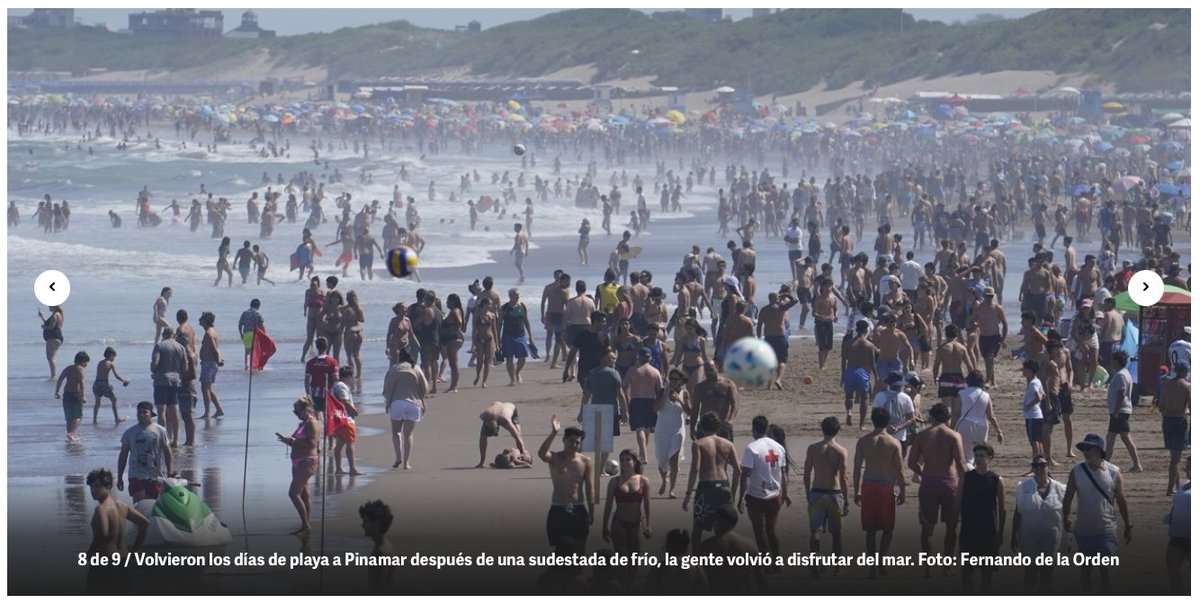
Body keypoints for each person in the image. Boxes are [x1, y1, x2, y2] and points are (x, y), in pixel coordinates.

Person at [1063, 433, 1133, 593]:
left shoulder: (1114, 472)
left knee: (1105, 569)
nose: (1085, 452)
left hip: (1106, 530)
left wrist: (1128, 525)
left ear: (1099, 450)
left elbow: (1121, 500)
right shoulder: (1077, 471)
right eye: (1084, 448)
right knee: (1086, 570)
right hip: (1083, 531)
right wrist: (1066, 516)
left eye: (1089, 448)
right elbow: (1068, 496)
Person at [908, 402, 966, 578]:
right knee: (951, 527)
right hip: (949, 482)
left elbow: (911, 463)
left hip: (929, 482)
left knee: (927, 528)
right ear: (948, 418)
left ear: (932, 418)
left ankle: (928, 568)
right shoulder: (954, 436)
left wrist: (924, 473)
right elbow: (961, 465)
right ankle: (947, 566)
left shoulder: (922, 436)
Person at [853, 407, 906, 578]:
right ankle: (881, 560)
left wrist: (856, 490)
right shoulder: (893, 442)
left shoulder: (863, 441)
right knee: (887, 528)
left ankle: (872, 565)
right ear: (888, 421)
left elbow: (856, 469)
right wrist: (903, 490)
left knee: (870, 529)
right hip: (885, 486)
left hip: (868, 485)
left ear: (872, 420)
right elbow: (900, 471)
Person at [683, 411, 740, 553]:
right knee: (725, 526)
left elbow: (695, 470)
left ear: (702, 426)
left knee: (698, 528)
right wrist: (733, 490)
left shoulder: (698, 444)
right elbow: (738, 470)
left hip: (706, 487)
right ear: (718, 427)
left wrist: (688, 494)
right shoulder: (728, 444)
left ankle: (696, 561)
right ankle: (726, 558)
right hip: (724, 485)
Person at [85, 468, 148, 595]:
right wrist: (135, 550)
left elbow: (103, 533)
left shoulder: (101, 509)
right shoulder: (121, 505)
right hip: (123, 560)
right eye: (91, 487)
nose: (93, 490)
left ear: (108, 486)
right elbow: (144, 523)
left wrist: (90, 553)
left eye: (97, 486)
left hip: (105, 563)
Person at [538, 416, 595, 556]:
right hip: (558, 507)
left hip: (578, 507)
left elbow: (590, 488)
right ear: (564, 440)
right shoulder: (555, 457)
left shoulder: (586, 461)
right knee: (560, 551)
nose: (574, 445)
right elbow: (541, 454)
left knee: (580, 549)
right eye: (571, 441)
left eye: (577, 442)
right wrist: (553, 433)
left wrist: (591, 511)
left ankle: (578, 575)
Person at [739, 415, 789, 573]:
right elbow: (784, 474)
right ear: (767, 429)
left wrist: (741, 498)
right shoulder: (778, 447)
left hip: (756, 495)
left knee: (759, 531)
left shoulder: (752, 448)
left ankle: (766, 563)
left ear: (753, 429)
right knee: (771, 531)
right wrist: (785, 493)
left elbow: (745, 474)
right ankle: (777, 562)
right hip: (775, 495)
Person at [1011, 455, 1066, 592]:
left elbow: (1066, 514)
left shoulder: (1060, 488)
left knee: (1047, 570)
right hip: (1028, 534)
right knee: (1030, 570)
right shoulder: (1023, 487)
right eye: (1036, 466)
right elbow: (1018, 512)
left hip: (1052, 535)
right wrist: (1013, 534)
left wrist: (1068, 537)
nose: (1039, 468)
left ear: (1048, 467)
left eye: (1042, 465)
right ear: (1032, 468)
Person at [803, 416, 849, 577]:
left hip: (817, 492)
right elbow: (843, 477)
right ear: (837, 430)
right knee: (837, 532)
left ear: (822, 429)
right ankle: (837, 567)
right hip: (834, 493)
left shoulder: (813, 448)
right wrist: (847, 499)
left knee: (815, 531)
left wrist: (808, 493)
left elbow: (807, 473)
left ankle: (814, 564)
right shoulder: (841, 450)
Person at [957, 443, 1005, 593]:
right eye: (976, 455)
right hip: (969, 529)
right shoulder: (966, 477)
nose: (978, 459)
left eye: (982, 456)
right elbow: (957, 502)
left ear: (989, 458)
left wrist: (1000, 533)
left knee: (987, 573)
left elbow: (1002, 509)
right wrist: (952, 526)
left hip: (988, 530)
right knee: (967, 572)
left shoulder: (996, 479)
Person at [601, 450, 653, 587]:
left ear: (634, 461)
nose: (624, 463)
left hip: (636, 523)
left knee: (635, 558)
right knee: (621, 556)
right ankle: (621, 583)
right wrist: (604, 526)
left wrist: (648, 525)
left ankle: (629, 585)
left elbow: (647, 504)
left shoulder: (643, 481)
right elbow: (608, 505)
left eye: (627, 460)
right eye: (622, 460)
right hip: (619, 522)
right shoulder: (615, 482)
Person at [699, 504, 767, 594]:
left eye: (715, 519)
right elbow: (761, 579)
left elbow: (699, 578)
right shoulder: (750, 544)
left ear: (718, 521)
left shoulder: (708, 545)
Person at [277, 397, 320, 535]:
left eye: (297, 412)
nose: (296, 414)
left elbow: (312, 444)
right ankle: (306, 523)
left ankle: (306, 525)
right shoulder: (303, 423)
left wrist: (293, 441)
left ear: (307, 409)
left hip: (307, 461)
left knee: (293, 493)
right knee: (304, 493)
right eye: (294, 412)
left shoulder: (312, 423)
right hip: (298, 460)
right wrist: (287, 440)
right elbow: (297, 442)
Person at [117, 401, 174, 502]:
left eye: (145, 412)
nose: (141, 415)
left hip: (155, 475)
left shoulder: (160, 431)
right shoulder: (129, 432)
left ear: (151, 414)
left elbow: (167, 452)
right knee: (140, 506)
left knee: (154, 506)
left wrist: (170, 471)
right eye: (139, 412)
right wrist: (120, 477)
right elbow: (123, 456)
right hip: (136, 476)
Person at [580, 348, 626, 471]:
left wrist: (582, 412)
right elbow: (620, 394)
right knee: (606, 441)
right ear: (604, 358)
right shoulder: (613, 373)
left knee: (592, 440)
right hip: (611, 411)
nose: (615, 361)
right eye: (612, 358)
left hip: (594, 409)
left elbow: (586, 395)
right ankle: (600, 469)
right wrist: (625, 412)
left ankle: (581, 464)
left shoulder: (591, 373)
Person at [382, 350, 429, 470]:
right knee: (408, 434)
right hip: (414, 403)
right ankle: (406, 463)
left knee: (396, 432)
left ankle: (398, 456)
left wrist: (388, 402)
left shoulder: (394, 368)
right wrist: (422, 398)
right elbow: (425, 387)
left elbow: (387, 387)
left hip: (397, 403)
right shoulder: (416, 368)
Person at [952, 370, 1003, 468]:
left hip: (965, 425)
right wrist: (999, 431)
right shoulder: (986, 395)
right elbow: (991, 416)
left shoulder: (961, 393)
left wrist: (951, 428)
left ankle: (970, 474)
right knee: (979, 454)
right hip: (982, 427)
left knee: (967, 457)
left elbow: (956, 414)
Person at [655, 369, 692, 498]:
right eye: (672, 379)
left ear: (681, 381)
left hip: (677, 428)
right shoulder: (662, 391)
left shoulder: (684, 393)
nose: (674, 381)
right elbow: (656, 408)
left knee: (674, 459)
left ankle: (672, 489)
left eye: (676, 379)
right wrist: (663, 394)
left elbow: (690, 412)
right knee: (661, 460)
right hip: (662, 427)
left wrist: (679, 400)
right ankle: (664, 480)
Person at [150, 327, 190, 447]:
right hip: (175, 381)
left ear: (163, 334)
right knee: (174, 409)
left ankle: (163, 439)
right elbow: (185, 368)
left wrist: (153, 369)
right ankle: (175, 440)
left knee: (161, 410)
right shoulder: (180, 347)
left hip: (161, 380)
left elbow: (155, 363)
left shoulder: (160, 346)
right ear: (173, 335)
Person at [623, 347, 664, 464]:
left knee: (640, 429)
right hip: (651, 401)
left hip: (637, 400)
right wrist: (659, 404)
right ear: (650, 358)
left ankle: (644, 455)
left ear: (639, 357)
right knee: (646, 429)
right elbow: (660, 390)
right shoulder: (655, 371)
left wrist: (626, 399)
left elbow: (624, 386)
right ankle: (642, 453)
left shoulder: (633, 370)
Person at [1105, 350, 1143, 472]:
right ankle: (1105, 463)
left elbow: (1121, 393)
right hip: (1121, 410)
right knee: (1111, 437)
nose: (1111, 362)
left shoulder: (1121, 375)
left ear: (1116, 361)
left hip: (1120, 411)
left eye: (1112, 360)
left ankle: (1137, 464)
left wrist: (1116, 410)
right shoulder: (1124, 373)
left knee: (1123, 437)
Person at [756, 290, 798, 390]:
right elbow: (795, 300)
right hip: (780, 336)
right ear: (776, 298)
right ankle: (778, 379)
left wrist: (758, 338)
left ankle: (769, 384)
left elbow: (759, 326)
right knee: (782, 361)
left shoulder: (763, 310)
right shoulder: (781, 307)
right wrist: (786, 294)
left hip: (768, 337)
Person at [1160, 363, 1190, 496]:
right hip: (1179, 420)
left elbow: (1161, 405)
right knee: (1175, 460)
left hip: (1167, 420)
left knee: (1174, 457)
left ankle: (1178, 487)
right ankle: (1169, 489)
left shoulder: (1166, 384)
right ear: (1183, 371)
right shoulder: (1187, 386)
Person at [842, 320, 878, 429]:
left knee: (849, 396)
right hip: (862, 372)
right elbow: (872, 362)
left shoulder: (848, 343)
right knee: (864, 398)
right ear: (866, 330)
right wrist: (876, 376)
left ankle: (849, 412)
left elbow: (843, 360)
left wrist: (843, 374)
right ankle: (861, 424)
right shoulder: (869, 345)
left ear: (856, 330)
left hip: (850, 371)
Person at [691, 360, 738, 442]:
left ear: (717, 368)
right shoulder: (700, 388)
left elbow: (734, 403)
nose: (708, 372)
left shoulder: (728, 384)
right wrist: (692, 428)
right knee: (704, 451)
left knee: (725, 451)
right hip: (705, 425)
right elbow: (695, 409)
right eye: (706, 370)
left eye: (711, 369)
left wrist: (731, 419)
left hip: (723, 423)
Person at [871, 371, 916, 452]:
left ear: (889, 383)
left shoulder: (880, 395)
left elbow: (874, 416)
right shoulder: (906, 398)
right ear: (901, 384)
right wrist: (897, 428)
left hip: (882, 435)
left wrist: (886, 427)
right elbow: (912, 420)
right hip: (900, 437)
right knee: (899, 462)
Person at [1164, 456, 1190, 594]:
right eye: (1187, 467)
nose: (1187, 470)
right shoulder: (1185, 486)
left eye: (1190, 467)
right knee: (1172, 566)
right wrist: (1172, 516)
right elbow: (1178, 504)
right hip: (1178, 535)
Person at [359, 500, 397, 593]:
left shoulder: (379, 553)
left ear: (376, 522)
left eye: (365, 521)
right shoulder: (389, 546)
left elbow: (377, 590)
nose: (362, 525)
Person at [500, 288, 535, 386]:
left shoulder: (522, 306)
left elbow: (526, 321)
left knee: (522, 357)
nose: (518, 296)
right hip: (507, 336)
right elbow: (499, 325)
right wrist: (498, 338)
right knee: (509, 358)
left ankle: (517, 372)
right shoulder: (504, 308)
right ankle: (512, 379)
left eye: (518, 295)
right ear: (510, 296)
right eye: (516, 295)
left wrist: (531, 336)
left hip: (520, 335)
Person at [330, 366, 361, 475]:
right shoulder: (342, 386)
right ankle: (352, 468)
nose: (351, 380)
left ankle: (338, 468)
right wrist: (354, 410)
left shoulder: (334, 386)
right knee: (350, 443)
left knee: (339, 444)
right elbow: (344, 401)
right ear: (348, 376)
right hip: (346, 419)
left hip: (338, 418)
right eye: (350, 377)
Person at [477, 401, 527, 468]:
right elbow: (482, 439)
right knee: (483, 435)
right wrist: (481, 462)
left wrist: (522, 454)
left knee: (518, 435)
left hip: (510, 407)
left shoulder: (506, 420)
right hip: (495, 404)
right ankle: (482, 462)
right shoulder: (485, 416)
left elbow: (518, 438)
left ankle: (522, 456)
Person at [54, 350, 89, 441]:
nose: (86, 365)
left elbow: (60, 379)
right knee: (78, 416)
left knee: (69, 417)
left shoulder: (68, 368)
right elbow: (81, 382)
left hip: (67, 394)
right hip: (76, 395)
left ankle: (70, 435)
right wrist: (83, 396)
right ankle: (72, 433)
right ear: (82, 361)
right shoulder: (81, 369)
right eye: (86, 362)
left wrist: (57, 391)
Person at [92, 347, 130, 425]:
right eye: (114, 356)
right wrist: (124, 380)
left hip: (96, 384)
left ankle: (94, 420)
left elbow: (102, 375)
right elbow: (116, 376)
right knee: (114, 400)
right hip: (103, 385)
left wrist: (108, 384)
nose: (114, 359)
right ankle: (117, 418)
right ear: (110, 355)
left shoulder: (100, 362)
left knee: (97, 403)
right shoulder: (110, 364)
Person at [197, 312, 225, 419]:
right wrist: (218, 358)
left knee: (205, 388)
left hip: (209, 363)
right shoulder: (212, 331)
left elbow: (214, 349)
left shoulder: (209, 333)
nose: (199, 320)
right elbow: (217, 348)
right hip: (209, 362)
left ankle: (207, 412)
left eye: (202, 318)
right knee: (208, 388)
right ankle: (219, 409)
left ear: (206, 320)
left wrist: (218, 360)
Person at [304, 337, 339, 420]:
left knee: (316, 416)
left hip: (314, 393)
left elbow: (307, 381)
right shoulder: (332, 361)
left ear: (316, 347)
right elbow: (336, 378)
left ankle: (318, 431)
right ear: (327, 346)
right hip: (328, 393)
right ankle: (326, 431)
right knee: (327, 415)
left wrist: (308, 394)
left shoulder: (310, 362)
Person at [1021, 359, 1046, 460]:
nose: (1023, 371)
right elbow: (1043, 395)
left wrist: (1028, 405)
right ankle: (1040, 461)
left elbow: (1039, 397)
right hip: (1037, 415)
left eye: (1025, 369)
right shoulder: (1037, 381)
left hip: (1032, 415)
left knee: (1034, 441)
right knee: (1038, 440)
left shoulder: (1033, 383)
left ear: (1029, 370)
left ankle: (1036, 463)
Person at [301, 276, 325, 362]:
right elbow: (306, 302)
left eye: (315, 285)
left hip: (319, 318)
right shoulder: (308, 292)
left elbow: (325, 305)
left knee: (320, 338)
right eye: (311, 285)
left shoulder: (322, 293)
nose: (313, 286)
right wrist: (304, 311)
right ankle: (303, 356)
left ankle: (320, 356)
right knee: (309, 338)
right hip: (311, 317)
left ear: (318, 285)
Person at [238, 299, 265, 371]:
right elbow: (261, 325)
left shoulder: (245, 313)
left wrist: (241, 334)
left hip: (246, 334)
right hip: (255, 334)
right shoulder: (258, 313)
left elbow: (240, 324)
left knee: (247, 351)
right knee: (255, 351)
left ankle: (246, 366)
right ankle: (253, 366)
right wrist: (265, 335)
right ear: (258, 306)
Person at [39, 304, 64, 379]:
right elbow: (50, 323)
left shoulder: (55, 315)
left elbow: (51, 327)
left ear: (54, 307)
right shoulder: (59, 315)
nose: (49, 307)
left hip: (52, 338)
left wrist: (44, 327)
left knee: (50, 358)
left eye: (50, 306)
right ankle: (54, 374)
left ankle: (53, 375)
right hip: (57, 337)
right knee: (52, 357)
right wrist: (42, 317)